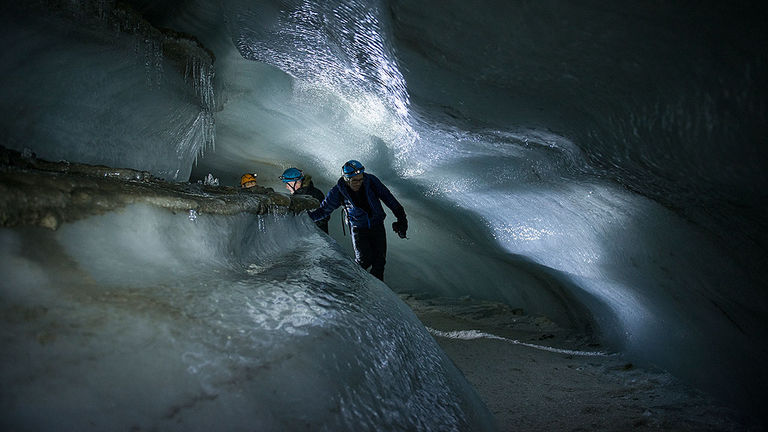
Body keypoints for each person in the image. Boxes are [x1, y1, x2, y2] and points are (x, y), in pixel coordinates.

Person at [308, 160, 407, 281]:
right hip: (358, 229)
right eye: (355, 180)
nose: (359, 183)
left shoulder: (371, 181)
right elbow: (324, 210)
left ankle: (377, 294)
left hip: (377, 225)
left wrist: (401, 218)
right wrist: (306, 218)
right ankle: (355, 287)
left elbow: (388, 197)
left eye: (361, 179)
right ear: (346, 179)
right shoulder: (338, 191)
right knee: (363, 261)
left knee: (379, 262)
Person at [280, 167, 329, 234]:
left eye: (288, 184)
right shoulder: (298, 195)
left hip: (315, 238)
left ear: (295, 183)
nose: (286, 187)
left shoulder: (314, 195)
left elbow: (323, 218)